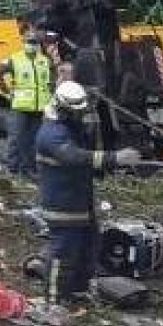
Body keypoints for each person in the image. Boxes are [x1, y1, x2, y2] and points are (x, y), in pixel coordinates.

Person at [36, 82, 141, 310]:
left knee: (88, 248)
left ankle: (78, 292)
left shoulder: (71, 125)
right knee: (63, 253)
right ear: (63, 108)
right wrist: (114, 158)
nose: (81, 115)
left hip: (81, 201)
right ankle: (53, 300)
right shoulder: (51, 133)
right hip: (61, 204)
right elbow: (74, 157)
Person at [0, 28, 54, 179]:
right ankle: (11, 170)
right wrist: (6, 91)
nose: (32, 45)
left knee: (34, 140)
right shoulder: (15, 59)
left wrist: (51, 96)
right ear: (24, 42)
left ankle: (29, 170)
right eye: (29, 42)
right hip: (20, 106)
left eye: (34, 42)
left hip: (39, 107)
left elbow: (51, 80)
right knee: (15, 138)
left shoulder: (45, 60)